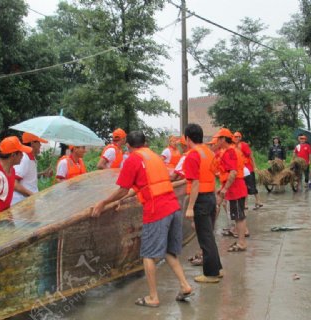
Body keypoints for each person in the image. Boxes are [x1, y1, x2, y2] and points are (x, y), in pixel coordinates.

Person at [92, 131, 192, 307]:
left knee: (148, 254)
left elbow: (123, 188)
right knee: (169, 252)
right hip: (173, 207)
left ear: (128, 146)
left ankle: (153, 297)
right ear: (145, 143)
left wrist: (103, 203)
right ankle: (185, 285)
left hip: (157, 210)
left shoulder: (132, 159)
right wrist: (120, 200)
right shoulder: (154, 157)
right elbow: (140, 186)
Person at [183, 123, 223, 283]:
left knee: (204, 237)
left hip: (201, 200)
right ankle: (216, 269)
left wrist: (190, 207)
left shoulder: (193, 155)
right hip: (210, 197)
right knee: (208, 236)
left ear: (187, 138)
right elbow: (213, 176)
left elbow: (195, 183)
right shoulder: (209, 152)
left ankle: (211, 274)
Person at [215, 128, 248, 252]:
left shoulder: (230, 152)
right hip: (236, 186)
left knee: (239, 216)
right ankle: (240, 240)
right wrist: (223, 187)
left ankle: (241, 242)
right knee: (239, 216)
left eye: (218, 139)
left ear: (223, 139)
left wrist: (225, 188)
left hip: (236, 188)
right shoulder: (233, 150)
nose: (217, 141)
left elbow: (233, 172)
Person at [11, 133, 52, 205]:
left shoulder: (31, 158)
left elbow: (28, 177)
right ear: (32, 143)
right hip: (22, 202)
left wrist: (43, 174)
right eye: (39, 142)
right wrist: (32, 195)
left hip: (28, 201)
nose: (40, 145)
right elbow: (14, 183)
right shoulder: (24, 158)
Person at [233, 131, 263, 210]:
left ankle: (258, 201)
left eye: (238, 137)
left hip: (248, 169)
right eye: (235, 137)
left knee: (252, 185)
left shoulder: (244, 145)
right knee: (244, 187)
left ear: (240, 138)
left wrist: (255, 166)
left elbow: (251, 156)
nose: (236, 138)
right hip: (240, 169)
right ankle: (245, 204)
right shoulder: (232, 146)